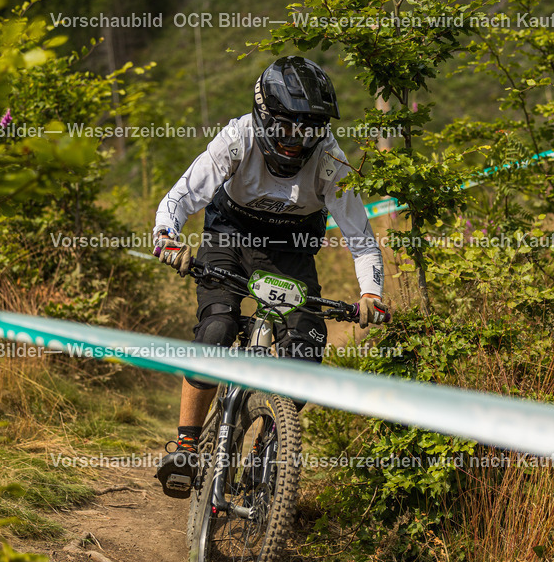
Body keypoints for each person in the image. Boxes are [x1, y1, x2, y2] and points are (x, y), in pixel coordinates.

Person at [151, 56, 389, 497]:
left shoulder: (331, 159)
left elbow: (362, 238)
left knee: (305, 348)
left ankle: (267, 443)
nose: (298, 141)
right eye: (287, 127)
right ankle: (186, 445)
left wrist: (370, 293)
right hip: (229, 235)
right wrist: (167, 237)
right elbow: (181, 196)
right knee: (217, 326)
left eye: (310, 128)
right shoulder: (237, 137)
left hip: (289, 248)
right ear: (264, 116)